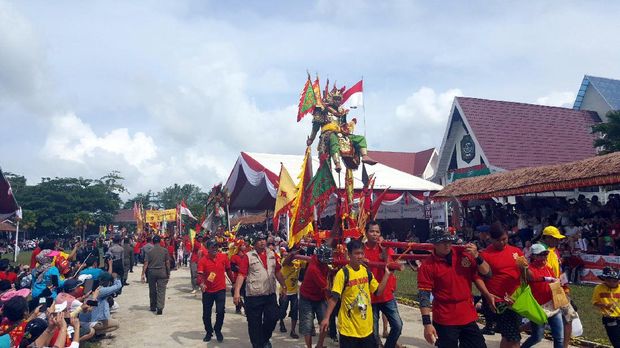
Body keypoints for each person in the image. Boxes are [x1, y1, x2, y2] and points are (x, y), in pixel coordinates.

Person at [417, 227, 493, 348]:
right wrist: (427, 324)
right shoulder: (427, 266)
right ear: (435, 244)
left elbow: (487, 274)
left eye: (449, 241)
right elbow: (424, 296)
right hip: (445, 318)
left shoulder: (462, 255)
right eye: (443, 242)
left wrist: (477, 256)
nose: (447, 245)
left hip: (467, 314)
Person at [320, 239, 392, 348]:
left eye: (362, 253)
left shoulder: (366, 271)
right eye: (356, 253)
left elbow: (378, 291)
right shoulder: (343, 273)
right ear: (349, 255)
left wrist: (387, 274)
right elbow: (334, 298)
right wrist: (326, 318)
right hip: (348, 330)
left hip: (366, 329)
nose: (360, 256)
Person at [233, 232, 286, 348]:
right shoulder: (248, 256)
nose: (262, 242)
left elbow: (277, 272)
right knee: (254, 324)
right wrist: (237, 292)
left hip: (269, 294)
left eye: (264, 239)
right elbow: (241, 275)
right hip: (253, 296)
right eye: (259, 240)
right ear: (254, 242)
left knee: (273, 318)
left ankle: (264, 339)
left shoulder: (272, 254)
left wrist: (284, 286)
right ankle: (258, 345)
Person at [480, 222, 526, 348]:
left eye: (504, 239)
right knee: (514, 338)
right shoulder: (485, 255)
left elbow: (526, 274)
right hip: (499, 302)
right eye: (498, 240)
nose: (502, 243)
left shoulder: (516, 252)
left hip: (516, 299)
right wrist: (488, 296)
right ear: (491, 238)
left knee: (508, 336)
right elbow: (479, 279)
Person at [363, 221, 403, 348]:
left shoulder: (386, 247)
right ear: (366, 233)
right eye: (372, 231)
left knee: (398, 325)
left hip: (386, 295)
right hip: (370, 296)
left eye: (377, 232)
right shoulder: (361, 250)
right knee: (373, 333)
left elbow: (389, 264)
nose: (375, 234)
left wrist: (384, 249)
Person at [522, 243, 564, 348]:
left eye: (545, 254)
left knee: (559, 337)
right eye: (540, 254)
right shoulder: (529, 269)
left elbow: (555, 280)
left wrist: (559, 282)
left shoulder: (548, 267)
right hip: (538, 307)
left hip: (552, 305)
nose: (544, 257)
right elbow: (532, 279)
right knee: (537, 336)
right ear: (533, 256)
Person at [197, 240, 233, 343]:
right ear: (208, 248)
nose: (215, 249)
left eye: (216, 247)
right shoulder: (203, 260)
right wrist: (201, 283)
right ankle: (209, 332)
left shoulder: (223, 257)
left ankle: (218, 330)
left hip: (220, 290)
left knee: (220, 311)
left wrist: (234, 282)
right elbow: (199, 275)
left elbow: (229, 270)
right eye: (212, 247)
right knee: (206, 314)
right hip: (207, 291)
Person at [299, 244, 331, 348]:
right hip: (307, 298)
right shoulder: (314, 269)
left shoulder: (315, 258)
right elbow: (326, 290)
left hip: (319, 297)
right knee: (307, 325)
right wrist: (331, 304)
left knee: (324, 323)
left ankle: (319, 345)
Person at [141, 235, 170, 315]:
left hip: (151, 272)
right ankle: (160, 307)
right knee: (161, 290)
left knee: (152, 290)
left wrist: (142, 274)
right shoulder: (164, 250)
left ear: (153, 242)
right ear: (160, 242)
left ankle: (153, 306)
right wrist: (168, 273)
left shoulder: (149, 251)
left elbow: (146, 263)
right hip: (162, 272)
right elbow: (167, 263)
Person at [592, 267, 620, 348]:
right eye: (609, 280)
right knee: (616, 341)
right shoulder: (599, 288)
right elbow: (595, 302)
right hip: (609, 319)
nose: (612, 283)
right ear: (604, 279)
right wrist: (604, 305)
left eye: (615, 281)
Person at [278, 247, 302, 339]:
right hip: (284, 291)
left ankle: (293, 331)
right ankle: (281, 322)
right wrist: (292, 254)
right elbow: (285, 263)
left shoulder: (299, 261)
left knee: (294, 312)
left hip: (294, 292)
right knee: (282, 311)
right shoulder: (285, 259)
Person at [230, 241, 247, 314]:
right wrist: (239, 269)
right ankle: (239, 307)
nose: (244, 246)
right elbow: (232, 267)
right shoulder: (234, 257)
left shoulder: (247, 256)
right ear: (239, 247)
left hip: (246, 278)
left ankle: (246, 308)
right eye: (242, 245)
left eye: (244, 245)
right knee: (236, 293)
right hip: (237, 278)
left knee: (246, 294)